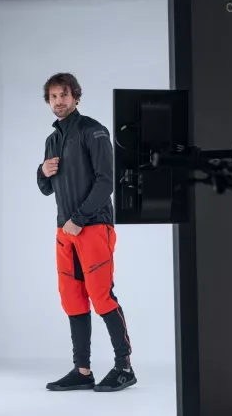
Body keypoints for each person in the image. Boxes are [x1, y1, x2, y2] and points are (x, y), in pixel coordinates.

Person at [36, 72, 136, 393]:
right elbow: (45, 188)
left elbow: (106, 181)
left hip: (92, 226)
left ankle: (124, 367)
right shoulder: (52, 140)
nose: (59, 102)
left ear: (76, 97)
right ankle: (83, 370)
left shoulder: (94, 131)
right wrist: (42, 171)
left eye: (64, 95)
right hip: (64, 231)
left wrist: (79, 218)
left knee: (101, 296)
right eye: (53, 97)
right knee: (73, 300)